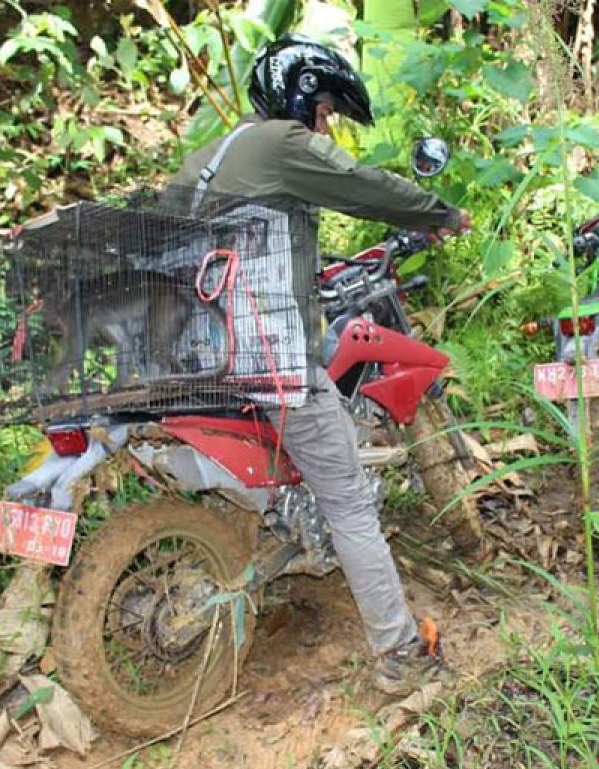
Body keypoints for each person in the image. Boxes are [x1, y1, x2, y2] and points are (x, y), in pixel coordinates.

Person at [167, 35, 469, 696]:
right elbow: (358, 184)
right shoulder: (281, 144)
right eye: (328, 110)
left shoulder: (203, 159)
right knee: (351, 507)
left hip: (193, 359)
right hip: (269, 360)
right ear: (303, 97)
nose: (326, 123)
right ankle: (400, 657)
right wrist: (439, 213)